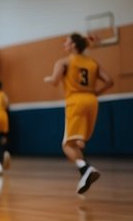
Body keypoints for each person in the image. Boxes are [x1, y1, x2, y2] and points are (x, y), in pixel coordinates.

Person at [43, 33, 114, 194]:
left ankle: (85, 168)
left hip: (75, 101)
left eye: (66, 42)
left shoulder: (64, 62)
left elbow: (55, 82)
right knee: (77, 143)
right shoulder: (92, 62)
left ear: (74, 45)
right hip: (91, 101)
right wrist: (95, 93)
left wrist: (48, 79)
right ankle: (84, 173)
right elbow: (110, 81)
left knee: (67, 145)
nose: (64, 45)